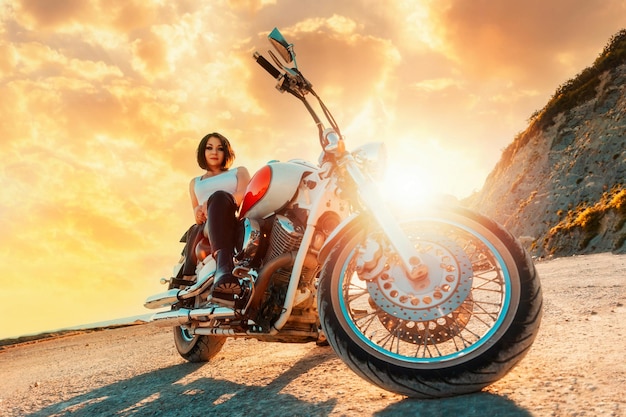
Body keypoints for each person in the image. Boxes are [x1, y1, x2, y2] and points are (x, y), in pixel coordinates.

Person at [181, 132, 250, 303]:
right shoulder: (195, 182)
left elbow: (245, 194)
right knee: (217, 198)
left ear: (226, 152)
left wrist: (215, 201)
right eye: (209, 148)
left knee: (219, 196)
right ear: (202, 152)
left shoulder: (239, 171)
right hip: (207, 227)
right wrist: (199, 211)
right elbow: (196, 212)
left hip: (233, 219)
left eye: (220, 148)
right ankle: (224, 270)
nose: (214, 152)